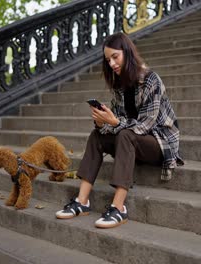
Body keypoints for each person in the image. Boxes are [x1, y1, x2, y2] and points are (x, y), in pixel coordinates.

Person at [55, 32, 183, 228]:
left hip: (159, 143)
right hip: (131, 142)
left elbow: (145, 125)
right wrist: (101, 123)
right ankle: (82, 201)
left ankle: (119, 208)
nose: (112, 63)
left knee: (125, 133)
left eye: (115, 56)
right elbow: (117, 122)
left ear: (127, 52)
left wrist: (114, 123)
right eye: (108, 60)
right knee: (97, 135)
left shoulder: (151, 80)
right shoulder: (119, 86)